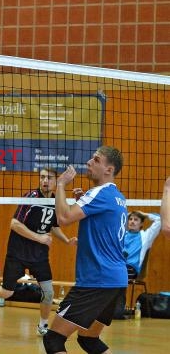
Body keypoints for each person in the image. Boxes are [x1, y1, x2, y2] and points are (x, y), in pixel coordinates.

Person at [43, 146, 127, 354]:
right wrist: (83, 199)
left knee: (53, 340)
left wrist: (61, 185)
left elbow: (63, 218)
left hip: (97, 280)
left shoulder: (98, 193)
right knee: (89, 340)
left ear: (109, 169)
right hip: (117, 280)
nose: (89, 162)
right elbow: (101, 223)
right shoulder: (118, 196)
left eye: (96, 160)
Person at [0, 168, 77, 335]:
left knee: (48, 293)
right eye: (42, 177)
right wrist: (39, 238)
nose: (45, 181)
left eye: (49, 178)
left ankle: (43, 326)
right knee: (7, 292)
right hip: (18, 253)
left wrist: (67, 240)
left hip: (39, 256)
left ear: (56, 182)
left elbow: (53, 226)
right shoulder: (31, 197)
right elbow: (14, 224)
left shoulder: (55, 201)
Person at [124, 211, 161, 278]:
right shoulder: (122, 235)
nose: (132, 221)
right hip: (118, 265)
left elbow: (159, 220)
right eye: (130, 219)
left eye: (136, 220)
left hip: (131, 269)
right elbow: (111, 222)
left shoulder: (146, 236)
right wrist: (125, 215)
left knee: (110, 275)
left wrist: (145, 214)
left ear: (141, 224)